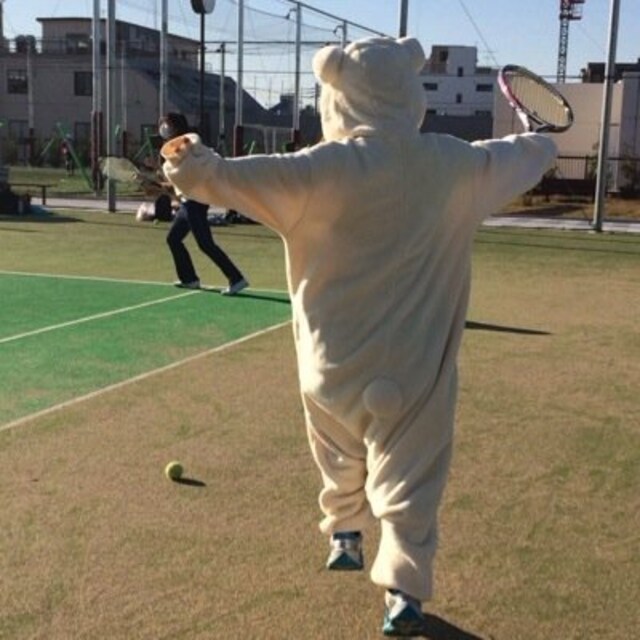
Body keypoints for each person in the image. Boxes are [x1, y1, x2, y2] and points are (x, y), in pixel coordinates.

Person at [161, 37, 557, 636]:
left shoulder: (319, 168)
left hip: (332, 365)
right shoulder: (453, 163)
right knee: (412, 477)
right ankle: (403, 591)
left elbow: (223, 178)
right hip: (418, 373)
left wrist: (188, 162)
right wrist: (542, 142)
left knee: (334, 443)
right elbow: (517, 156)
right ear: (409, 92)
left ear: (337, 96)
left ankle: (344, 529)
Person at [159, 113, 248, 295]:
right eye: (163, 125)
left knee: (205, 244)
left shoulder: (190, 148)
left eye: (167, 125)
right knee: (173, 239)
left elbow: (188, 178)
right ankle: (189, 279)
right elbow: (178, 183)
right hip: (188, 203)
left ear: (177, 127)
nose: (164, 128)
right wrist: (159, 185)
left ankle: (236, 278)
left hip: (197, 202)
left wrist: (161, 185)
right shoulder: (173, 153)